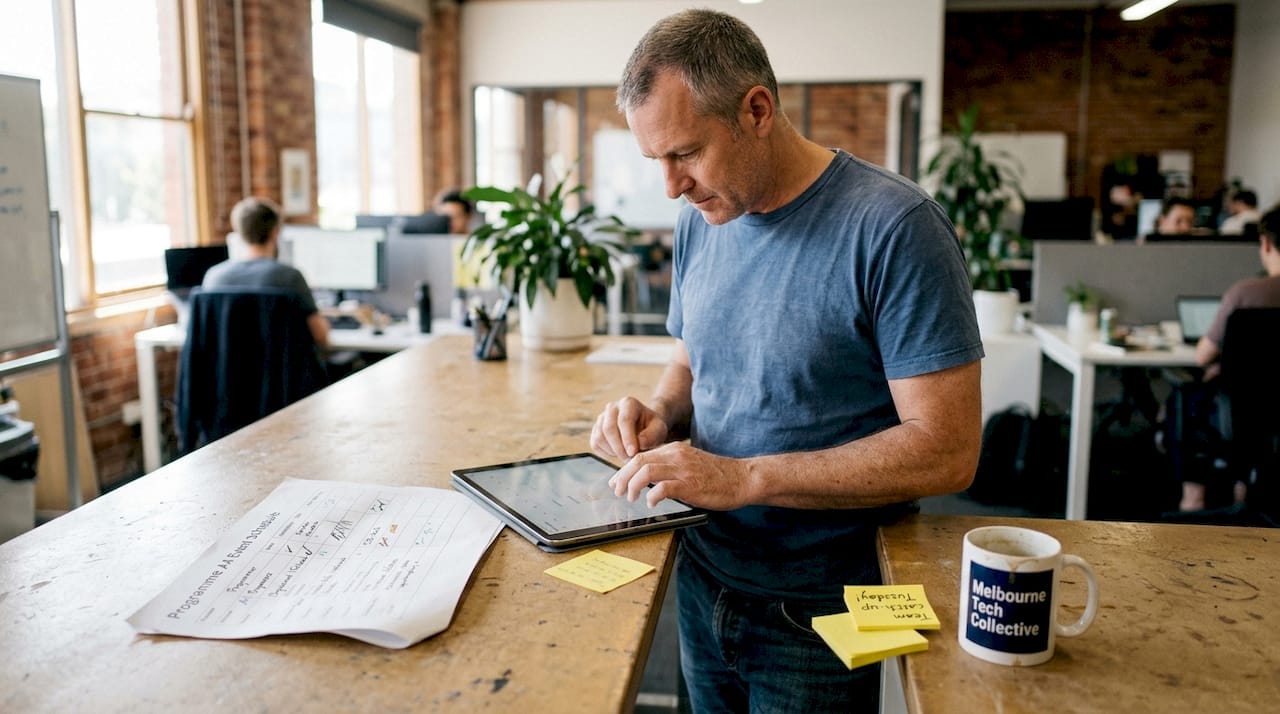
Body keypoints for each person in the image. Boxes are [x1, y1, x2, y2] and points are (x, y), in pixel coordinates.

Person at [592, 9, 983, 712]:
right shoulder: (701, 219)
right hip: (703, 574)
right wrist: (660, 413)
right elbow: (692, 359)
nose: (672, 186)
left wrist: (744, 477)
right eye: (657, 161)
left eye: (686, 153)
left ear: (757, 110)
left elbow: (948, 451)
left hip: (823, 608)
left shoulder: (895, 229)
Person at [1170, 204, 1280, 511]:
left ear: (1266, 244)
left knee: (1185, 402)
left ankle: (1193, 500)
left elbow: (1202, 355)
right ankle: (1246, 498)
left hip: (1240, 414)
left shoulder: (1245, 293)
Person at [203, 196, 329, 349]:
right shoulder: (289, 277)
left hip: (230, 364)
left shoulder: (214, 277)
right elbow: (320, 335)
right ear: (275, 232)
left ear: (239, 232)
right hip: (280, 364)